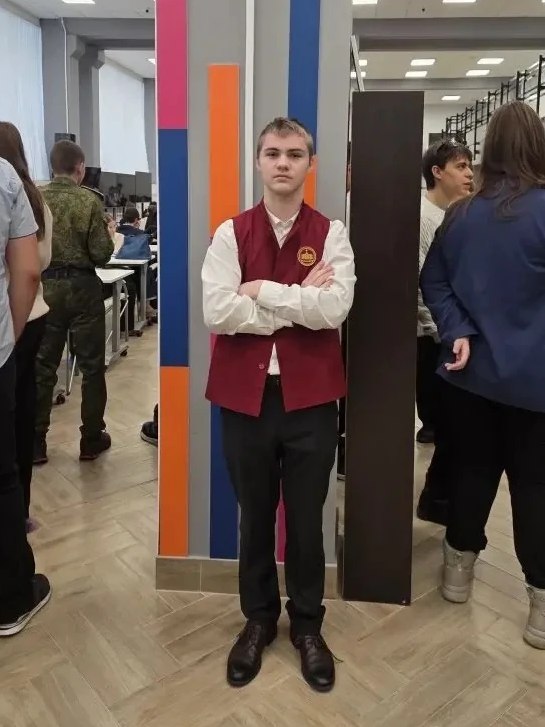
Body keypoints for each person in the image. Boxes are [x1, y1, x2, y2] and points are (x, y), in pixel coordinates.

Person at [202, 117, 355, 692]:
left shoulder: (332, 233)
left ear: (310, 163)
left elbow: (334, 309)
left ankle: (308, 626)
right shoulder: (230, 233)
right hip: (245, 399)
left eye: (294, 153)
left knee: (309, 520)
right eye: (273, 153)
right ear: (258, 162)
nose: (283, 162)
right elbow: (217, 312)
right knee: (255, 515)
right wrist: (297, 301)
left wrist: (262, 291)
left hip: (310, 400)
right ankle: (258, 620)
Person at [421, 100, 545, 650]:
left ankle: (457, 573)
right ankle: (540, 605)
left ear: (488, 150)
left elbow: (433, 281)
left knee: (472, 472)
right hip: (535, 383)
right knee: (535, 488)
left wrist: (457, 329)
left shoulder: (461, 215)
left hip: (469, 375)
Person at [34, 140, 114, 464]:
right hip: (83, 290)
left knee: (43, 366)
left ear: (52, 165)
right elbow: (101, 254)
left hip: (46, 289)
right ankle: (91, 439)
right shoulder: (90, 201)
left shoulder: (35, 198)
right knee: (92, 368)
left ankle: (35, 442)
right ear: (80, 168)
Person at [0, 156, 50, 636]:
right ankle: (11, 599)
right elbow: (29, 271)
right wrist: (8, 338)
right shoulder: (6, 179)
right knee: (2, 477)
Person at [416, 139, 473, 526]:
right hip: (430, 336)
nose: (469, 174)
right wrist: (441, 329)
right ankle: (435, 499)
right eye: (461, 166)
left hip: (446, 332)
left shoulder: (458, 214)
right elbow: (424, 283)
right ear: (437, 172)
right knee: (446, 421)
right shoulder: (424, 218)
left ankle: (439, 498)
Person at [116, 207, 157, 325]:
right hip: (135, 270)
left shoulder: (117, 230)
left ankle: (146, 305)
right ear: (136, 220)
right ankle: (146, 304)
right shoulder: (138, 233)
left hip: (118, 269)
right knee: (148, 270)